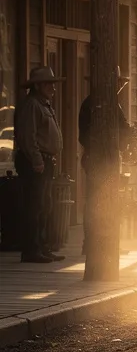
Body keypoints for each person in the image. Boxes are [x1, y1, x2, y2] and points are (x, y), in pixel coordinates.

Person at [14, 66, 64, 263]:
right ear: (38, 86)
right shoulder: (32, 105)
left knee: (44, 205)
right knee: (34, 206)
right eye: (48, 83)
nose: (52, 87)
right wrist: (37, 160)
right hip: (35, 162)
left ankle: (42, 246)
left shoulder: (43, 104)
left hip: (44, 161)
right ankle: (31, 250)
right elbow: (28, 137)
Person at [78, 66, 137, 169]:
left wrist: (129, 132)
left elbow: (121, 128)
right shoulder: (94, 104)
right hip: (99, 160)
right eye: (116, 83)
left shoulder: (111, 104)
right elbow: (86, 136)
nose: (119, 87)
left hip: (107, 158)